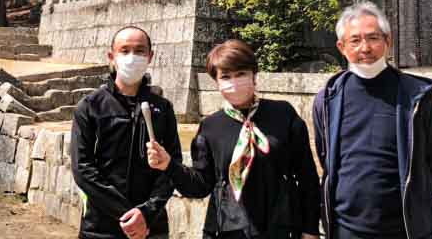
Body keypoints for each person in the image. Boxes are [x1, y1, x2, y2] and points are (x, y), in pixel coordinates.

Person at [147, 39, 320, 239]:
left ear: (254, 75)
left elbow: (307, 176)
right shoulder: (210, 126)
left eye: (241, 74)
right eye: (226, 76)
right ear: (217, 82)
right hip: (229, 229)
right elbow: (201, 185)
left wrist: (310, 228)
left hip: (281, 226)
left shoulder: (283, 114)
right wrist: (169, 165)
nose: (234, 82)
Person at [313, 0, 432, 239]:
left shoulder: (419, 99)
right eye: (355, 40)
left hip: (405, 230)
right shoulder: (327, 100)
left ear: (388, 41)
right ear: (341, 47)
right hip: (345, 229)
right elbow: (326, 157)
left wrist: (414, 197)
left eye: (373, 38)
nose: (365, 48)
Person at [70, 25, 182, 239]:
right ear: (111, 57)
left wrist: (147, 213)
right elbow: (82, 168)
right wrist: (127, 215)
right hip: (101, 226)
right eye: (125, 50)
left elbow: (172, 165)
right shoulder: (90, 107)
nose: (132, 56)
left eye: (140, 51)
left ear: (150, 56)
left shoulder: (163, 108)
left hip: (152, 226)